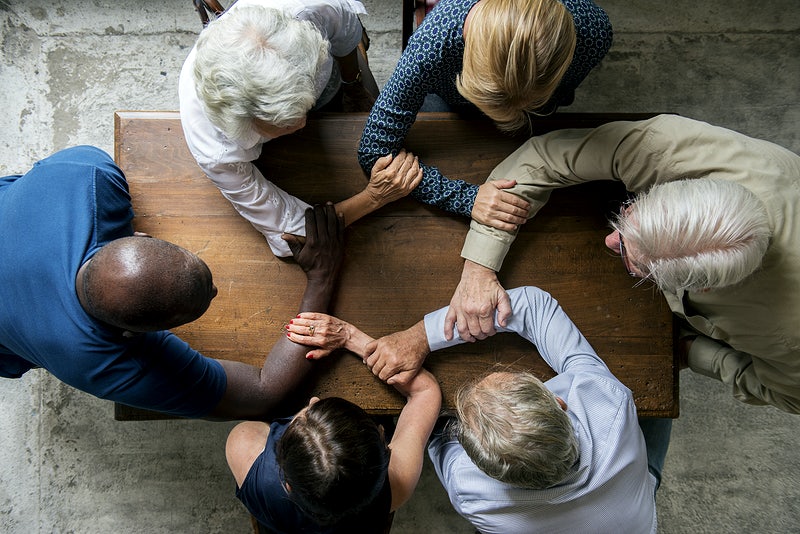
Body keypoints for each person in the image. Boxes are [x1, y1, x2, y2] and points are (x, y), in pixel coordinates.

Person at [436, 114, 800, 413]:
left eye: (631, 259)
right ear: (673, 185)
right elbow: (547, 157)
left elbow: (786, 395)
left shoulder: (786, 338)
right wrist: (479, 268)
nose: (609, 240)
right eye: (628, 213)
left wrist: (697, 354)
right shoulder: (673, 150)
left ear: (701, 287)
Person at [0, 145, 347, 420]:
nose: (216, 291)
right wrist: (322, 277)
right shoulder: (94, 361)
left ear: (142, 236)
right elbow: (264, 393)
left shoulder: (91, 174)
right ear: (136, 337)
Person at [365, 286, 668, 533]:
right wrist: (422, 336)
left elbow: (433, 433)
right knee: (661, 382)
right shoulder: (609, 402)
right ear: (559, 404)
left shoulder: (469, 491)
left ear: (482, 467)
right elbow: (536, 307)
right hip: (634, 517)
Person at [179, 0, 423, 257]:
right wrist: (374, 196)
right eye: (280, 123)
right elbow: (291, 235)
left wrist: (352, 83)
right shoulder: (214, 148)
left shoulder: (310, 9)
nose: (302, 124)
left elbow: (345, 31)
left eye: (301, 111)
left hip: (329, 78)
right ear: (241, 124)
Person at [357, 0, 612, 231]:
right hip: (451, 102)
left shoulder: (593, 32)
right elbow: (374, 151)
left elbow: (565, 90)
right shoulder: (431, 46)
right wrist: (467, 198)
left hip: (542, 110)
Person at [225, 312, 441, 532]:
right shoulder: (398, 484)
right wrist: (350, 337)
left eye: (302, 415)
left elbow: (255, 421)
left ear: (288, 485)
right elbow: (426, 391)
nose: (313, 400)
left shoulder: (243, 448)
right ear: (381, 436)